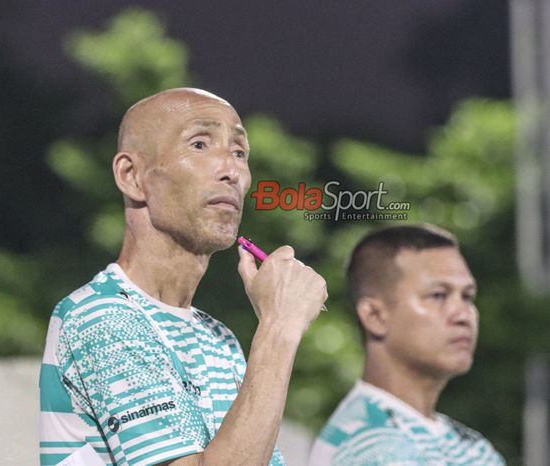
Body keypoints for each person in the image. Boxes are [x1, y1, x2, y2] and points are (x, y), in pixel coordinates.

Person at [39, 88, 328, 466]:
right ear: (132, 176)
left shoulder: (219, 339)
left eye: (240, 152)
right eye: (199, 144)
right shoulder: (102, 318)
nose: (232, 170)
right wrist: (278, 328)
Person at [308, 224, 505, 465]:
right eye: (438, 295)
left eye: (467, 296)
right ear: (375, 316)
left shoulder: (472, 447)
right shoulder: (370, 447)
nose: (463, 314)